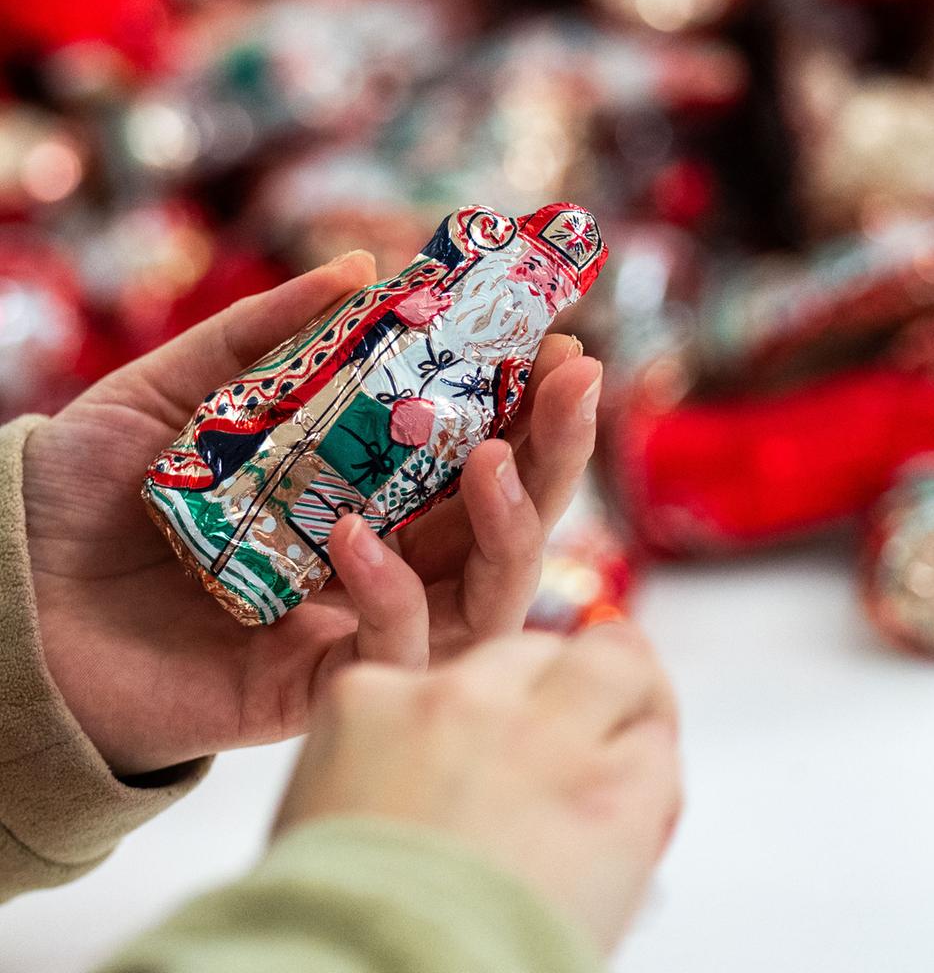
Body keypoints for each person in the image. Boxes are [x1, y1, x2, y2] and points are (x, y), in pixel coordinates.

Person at [1, 250, 682, 971]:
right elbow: (309, 369)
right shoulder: (411, 304)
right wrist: (403, 915)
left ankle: (259, 562)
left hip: (339, 489)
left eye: (546, 290)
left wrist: (23, 627)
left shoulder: (497, 377)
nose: (523, 297)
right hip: (263, 455)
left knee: (340, 512)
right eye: (523, 274)